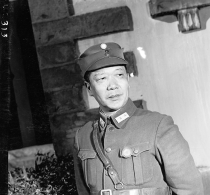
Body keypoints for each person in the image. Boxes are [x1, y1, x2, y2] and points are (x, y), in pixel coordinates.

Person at [73, 42, 204, 195]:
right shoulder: (82, 136)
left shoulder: (158, 126)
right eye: (102, 78)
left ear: (127, 79)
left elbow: (190, 191)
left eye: (119, 75)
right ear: (89, 88)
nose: (113, 85)